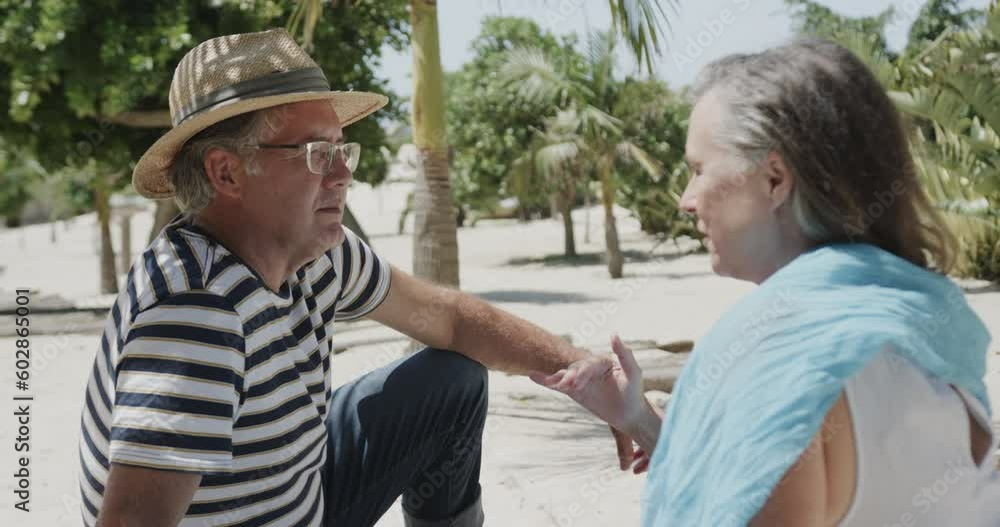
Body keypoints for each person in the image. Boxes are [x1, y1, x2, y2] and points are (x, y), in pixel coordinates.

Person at [77, 28, 599, 527]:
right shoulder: (195, 308)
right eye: (316, 153)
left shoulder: (319, 254)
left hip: (304, 494)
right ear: (227, 172)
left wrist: (589, 374)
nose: (343, 172)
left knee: (453, 381)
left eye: (341, 149)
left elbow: (452, 320)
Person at [531, 37, 1000, 526]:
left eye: (698, 169)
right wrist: (642, 423)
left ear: (774, 178)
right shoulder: (919, 325)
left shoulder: (783, 354)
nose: (686, 200)